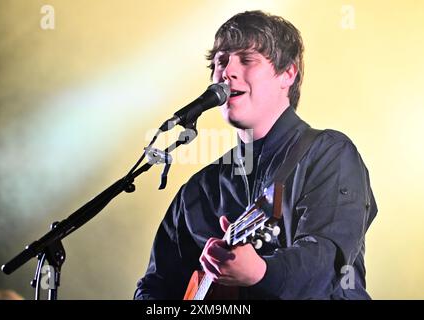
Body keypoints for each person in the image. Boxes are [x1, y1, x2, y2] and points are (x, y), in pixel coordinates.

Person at [134, 10, 377, 299]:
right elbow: (154, 288)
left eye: (246, 59)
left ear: (287, 73)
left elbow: (325, 263)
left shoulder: (329, 154)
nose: (227, 72)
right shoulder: (200, 190)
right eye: (220, 61)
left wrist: (261, 272)